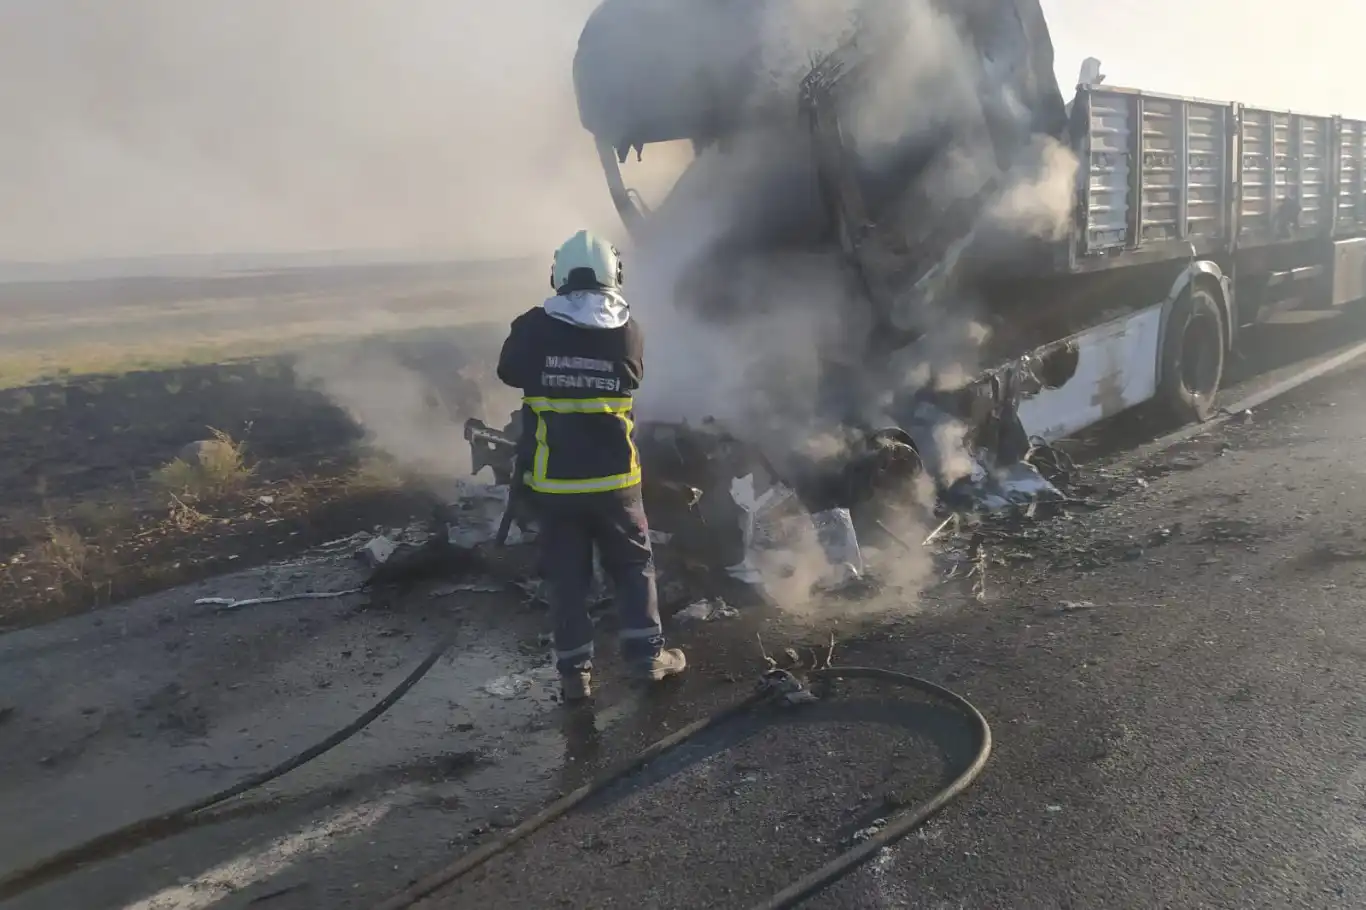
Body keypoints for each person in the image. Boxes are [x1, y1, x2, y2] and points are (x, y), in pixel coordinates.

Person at [495, 229, 686, 702]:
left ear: (559, 273)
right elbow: (633, 375)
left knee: (567, 578)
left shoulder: (534, 327)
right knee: (633, 567)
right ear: (613, 273)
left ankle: (574, 676)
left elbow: (509, 372)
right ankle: (647, 659)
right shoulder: (629, 331)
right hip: (617, 484)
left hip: (554, 484)